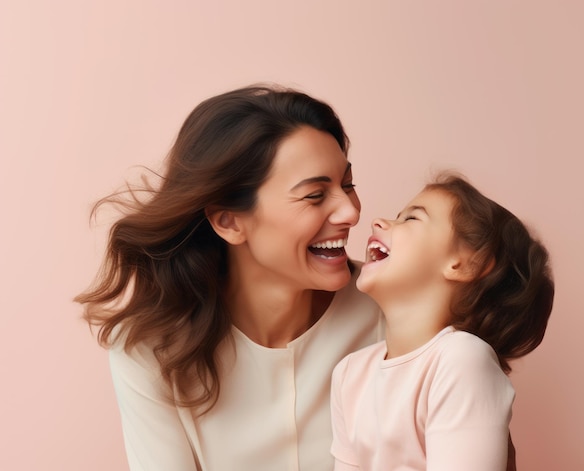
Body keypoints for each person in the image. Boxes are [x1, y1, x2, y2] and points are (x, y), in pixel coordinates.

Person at [75, 84, 384, 471]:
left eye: (348, 185)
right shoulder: (151, 350)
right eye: (314, 195)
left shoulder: (391, 310)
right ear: (229, 221)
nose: (351, 212)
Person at [330, 173, 554, 471]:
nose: (379, 222)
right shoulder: (350, 374)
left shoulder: (462, 360)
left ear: (465, 263)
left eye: (412, 219)